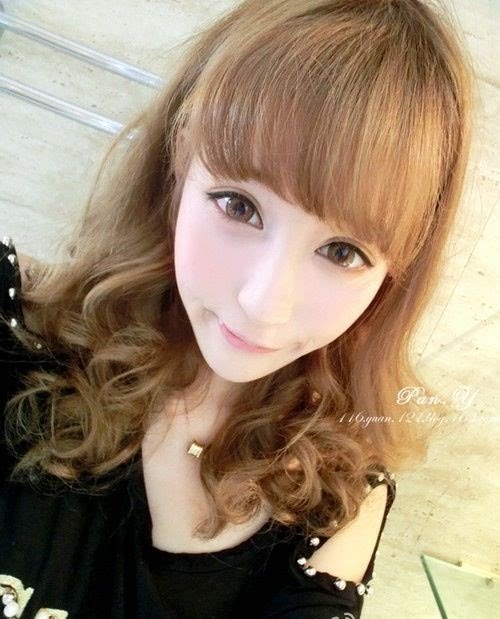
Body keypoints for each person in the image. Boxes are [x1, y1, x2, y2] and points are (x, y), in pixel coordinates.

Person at [0, 0, 473, 617]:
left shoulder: (342, 498)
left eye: (343, 251)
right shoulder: (15, 326)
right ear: (178, 165)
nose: (264, 304)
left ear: (393, 277)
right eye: (238, 206)